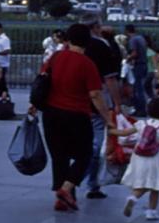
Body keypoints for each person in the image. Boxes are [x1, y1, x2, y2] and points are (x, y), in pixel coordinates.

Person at [29, 24, 113, 212]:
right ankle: (66, 189)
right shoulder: (87, 64)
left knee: (60, 156)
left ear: (68, 39)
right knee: (85, 155)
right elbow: (95, 95)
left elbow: (42, 80)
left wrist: (33, 104)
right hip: (77, 115)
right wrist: (108, 118)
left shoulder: (55, 57)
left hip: (51, 114)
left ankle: (62, 199)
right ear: (87, 41)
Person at [110, 97, 159, 220]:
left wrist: (111, 131)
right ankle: (151, 212)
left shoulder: (142, 123)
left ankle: (133, 197)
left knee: (142, 183)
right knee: (155, 186)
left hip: (140, 158)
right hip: (157, 159)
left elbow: (125, 133)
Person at [80, 15, 123, 199]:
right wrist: (117, 103)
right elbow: (110, 78)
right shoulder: (101, 46)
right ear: (95, 27)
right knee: (96, 144)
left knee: (79, 143)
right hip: (96, 101)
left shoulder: (70, 47)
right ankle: (89, 182)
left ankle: (73, 178)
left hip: (75, 101)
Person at [125, 25, 150, 117]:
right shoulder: (141, 38)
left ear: (127, 31)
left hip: (138, 64)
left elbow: (135, 53)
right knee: (140, 88)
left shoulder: (133, 40)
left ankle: (140, 109)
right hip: (144, 64)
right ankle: (142, 109)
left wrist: (128, 58)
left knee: (137, 88)